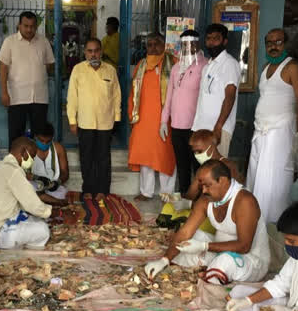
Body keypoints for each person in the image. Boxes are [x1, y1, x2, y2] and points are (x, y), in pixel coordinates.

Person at [144, 160, 269, 285]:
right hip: (219, 250)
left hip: (249, 259)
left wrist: (205, 246)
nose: (203, 191)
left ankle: (210, 270)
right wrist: (164, 260)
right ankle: (208, 269)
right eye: (201, 186)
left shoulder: (245, 201)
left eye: (208, 185)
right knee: (188, 241)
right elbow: (185, 232)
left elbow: (244, 246)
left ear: (223, 181)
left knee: (225, 262)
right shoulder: (206, 200)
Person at [247, 28, 298, 223]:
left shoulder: (292, 67)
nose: (273, 46)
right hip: (261, 129)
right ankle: (256, 217)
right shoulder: (265, 68)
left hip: (281, 130)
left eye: (278, 42)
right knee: (257, 175)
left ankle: (273, 220)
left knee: (274, 176)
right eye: (269, 42)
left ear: (286, 44)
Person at [0, 137, 53, 249]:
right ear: (24, 152)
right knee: (43, 229)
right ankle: (23, 251)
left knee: (34, 221)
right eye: (33, 156)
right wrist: (52, 213)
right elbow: (32, 205)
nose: (32, 161)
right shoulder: (13, 171)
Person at [67, 38, 121, 200]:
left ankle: (103, 190)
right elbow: (72, 96)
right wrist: (72, 120)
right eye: (90, 51)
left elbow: (116, 96)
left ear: (101, 51)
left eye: (96, 50)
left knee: (103, 158)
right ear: (85, 53)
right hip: (85, 121)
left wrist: (116, 118)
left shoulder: (110, 70)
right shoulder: (78, 70)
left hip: (105, 122)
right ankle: (88, 189)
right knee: (87, 157)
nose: (93, 54)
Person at [128, 32, 177, 201]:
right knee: (145, 156)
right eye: (150, 44)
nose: (153, 47)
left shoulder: (173, 63)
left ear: (164, 45)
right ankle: (146, 192)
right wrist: (131, 115)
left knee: (165, 156)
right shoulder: (141, 65)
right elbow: (133, 92)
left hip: (166, 120)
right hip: (143, 120)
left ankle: (167, 192)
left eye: (157, 43)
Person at [161, 30, 208, 195]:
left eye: (191, 44)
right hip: (176, 125)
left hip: (195, 126)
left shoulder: (205, 66)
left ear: (197, 44)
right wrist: (163, 121)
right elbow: (169, 96)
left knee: (198, 165)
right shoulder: (175, 67)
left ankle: (200, 200)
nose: (188, 48)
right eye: (184, 45)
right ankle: (184, 198)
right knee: (182, 165)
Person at [0, 11, 55, 145]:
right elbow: (3, 68)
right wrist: (4, 92)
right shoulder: (9, 42)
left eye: (32, 26)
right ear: (19, 25)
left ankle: (38, 165)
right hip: (16, 98)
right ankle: (15, 165)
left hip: (40, 97)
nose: (29, 29)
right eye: (26, 26)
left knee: (40, 135)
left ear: (36, 26)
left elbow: (50, 63)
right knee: (16, 136)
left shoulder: (43, 41)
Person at [192, 23, 240, 157]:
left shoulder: (229, 64)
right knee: (203, 172)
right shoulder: (207, 66)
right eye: (208, 39)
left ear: (225, 41)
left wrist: (218, 127)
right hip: (201, 127)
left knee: (216, 172)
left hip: (218, 129)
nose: (211, 43)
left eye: (216, 38)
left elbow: (230, 96)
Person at [32, 122, 69, 202]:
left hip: (53, 189)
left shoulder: (58, 148)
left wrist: (57, 182)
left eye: (48, 141)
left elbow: (65, 172)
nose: (44, 144)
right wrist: (37, 178)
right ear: (35, 137)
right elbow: (21, 173)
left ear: (52, 138)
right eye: (41, 141)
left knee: (62, 194)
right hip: (35, 187)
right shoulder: (28, 148)